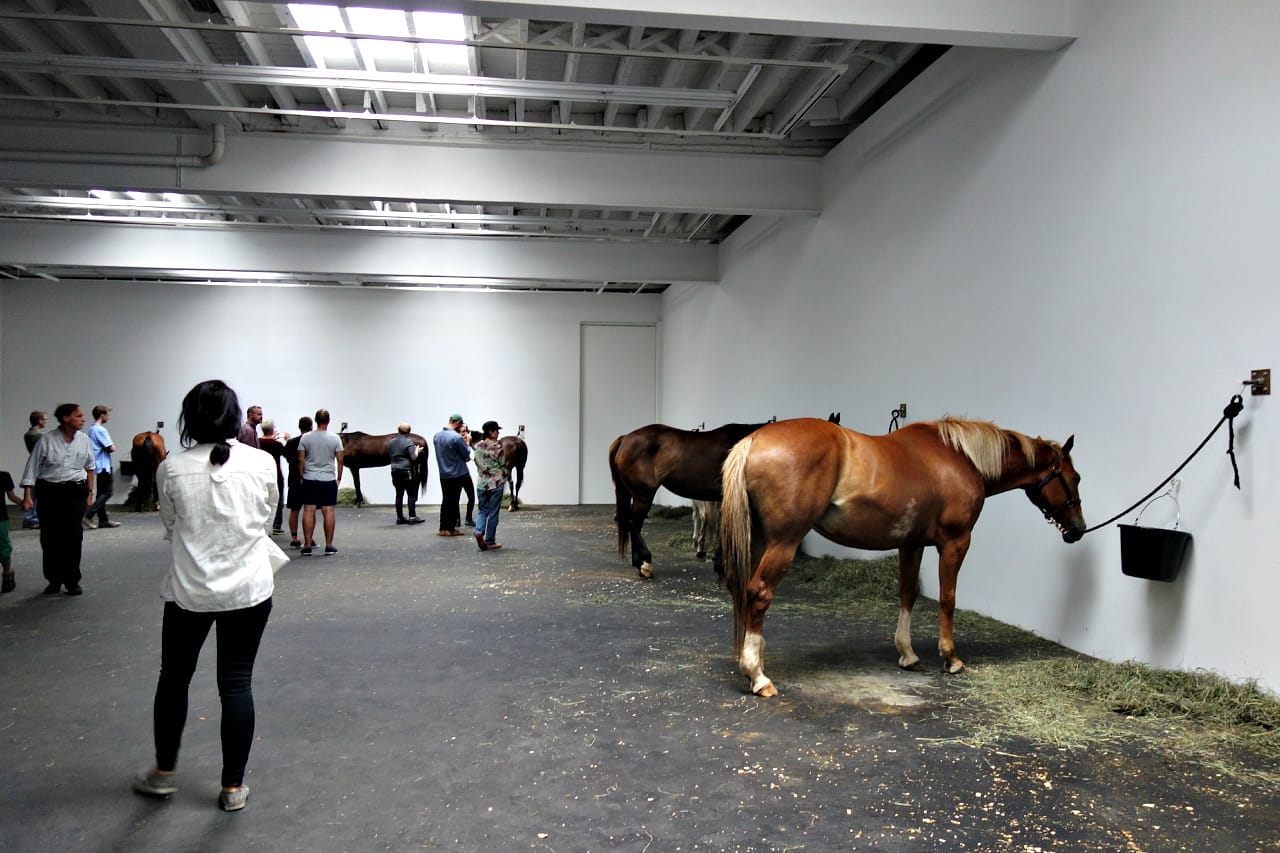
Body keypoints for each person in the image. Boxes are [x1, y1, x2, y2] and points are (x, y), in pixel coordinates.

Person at [133, 379, 284, 813]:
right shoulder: (262, 462)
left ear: (190, 420)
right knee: (235, 684)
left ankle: (164, 773)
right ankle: (233, 787)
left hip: (189, 591)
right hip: (249, 590)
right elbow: (267, 520)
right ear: (236, 418)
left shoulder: (172, 467)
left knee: (173, 680)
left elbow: (170, 525)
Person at [20, 403, 94, 595]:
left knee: (74, 536)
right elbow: (32, 467)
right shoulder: (46, 440)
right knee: (50, 537)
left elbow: (90, 467)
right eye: (79, 416)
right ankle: (54, 579)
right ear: (66, 418)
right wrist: (27, 495)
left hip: (75, 491)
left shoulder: (84, 440)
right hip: (50, 492)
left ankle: (72, 580)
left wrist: (90, 493)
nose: (83, 419)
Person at [297, 408, 343, 556]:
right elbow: (340, 460)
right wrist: (339, 478)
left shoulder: (305, 438)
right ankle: (329, 545)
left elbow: (301, 459)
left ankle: (307, 545)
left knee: (308, 510)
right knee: (328, 511)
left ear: (315, 420)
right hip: (328, 478)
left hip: (310, 477)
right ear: (328, 421)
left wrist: (302, 475)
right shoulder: (335, 438)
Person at [471, 420, 507, 552]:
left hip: (482, 483)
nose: (498, 433)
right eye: (497, 431)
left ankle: (478, 531)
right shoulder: (498, 447)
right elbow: (503, 464)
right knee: (493, 513)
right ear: (491, 432)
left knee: (482, 510)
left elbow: (477, 462)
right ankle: (490, 540)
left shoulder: (478, 446)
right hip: (496, 483)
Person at [432, 414, 470, 536]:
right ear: (457, 422)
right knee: (454, 502)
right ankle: (451, 529)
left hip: (443, 474)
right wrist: (468, 442)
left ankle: (442, 528)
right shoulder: (456, 437)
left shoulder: (437, 436)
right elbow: (466, 454)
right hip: (456, 473)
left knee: (445, 500)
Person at [85, 404, 122, 529]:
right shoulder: (100, 430)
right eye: (107, 414)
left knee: (101, 492)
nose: (108, 417)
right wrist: (113, 446)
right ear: (102, 415)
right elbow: (111, 448)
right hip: (104, 465)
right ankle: (88, 515)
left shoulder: (91, 429)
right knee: (107, 492)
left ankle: (103, 520)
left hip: (98, 464)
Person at [282, 416, 312, 548]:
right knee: (309, 510)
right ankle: (308, 538)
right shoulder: (312, 443)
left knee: (294, 509)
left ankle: (294, 538)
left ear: (299, 427)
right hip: (310, 478)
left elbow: (286, 456)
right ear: (311, 427)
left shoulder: (291, 443)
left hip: (294, 478)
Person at [387, 423, 425, 525]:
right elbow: (413, 457)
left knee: (399, 494)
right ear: (409, 431)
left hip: (394, 470)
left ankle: (400, 518)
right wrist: (417, 451)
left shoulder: (391, 442)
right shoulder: (408, 442)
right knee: (411, 494)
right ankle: (412, 517)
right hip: (406, 471)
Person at [257, 419, 288, 535]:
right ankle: (276, 524)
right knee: (278, 499)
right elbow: (287, 454)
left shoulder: (258, 442)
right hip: (276, 474)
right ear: (272, 430)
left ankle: (262, 523)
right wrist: (287, 440)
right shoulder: (277, 444)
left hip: (261, 473)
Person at [22, 410, 46, 529]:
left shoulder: (28, 434)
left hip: (35, 465)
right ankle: (31, 518)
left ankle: (30, 517)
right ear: (39, 420)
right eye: (44, 419)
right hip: (40, 466)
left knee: (33, 492)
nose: (46, 421)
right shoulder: (38, 435)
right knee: (37, 493)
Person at [1, 470, 22, 592]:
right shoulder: (4, 476)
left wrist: (24, 503)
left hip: (0, 518)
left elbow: (11, 496)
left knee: (3, 547)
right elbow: (12, 496)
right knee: (4, 546)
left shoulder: (3, 476)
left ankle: (7, 572)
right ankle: (7, 572)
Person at [457, 421, 476, 527]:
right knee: (456, 497)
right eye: (463, 432)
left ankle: (468, 518)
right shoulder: (458, 443)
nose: (465, 434)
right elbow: (465, 456)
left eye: (466, 431)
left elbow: (468, 457)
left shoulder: (462, 443)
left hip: (463, 472)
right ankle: (458, 519)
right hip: (459, 473)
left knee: (471, 496)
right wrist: (468, 443)